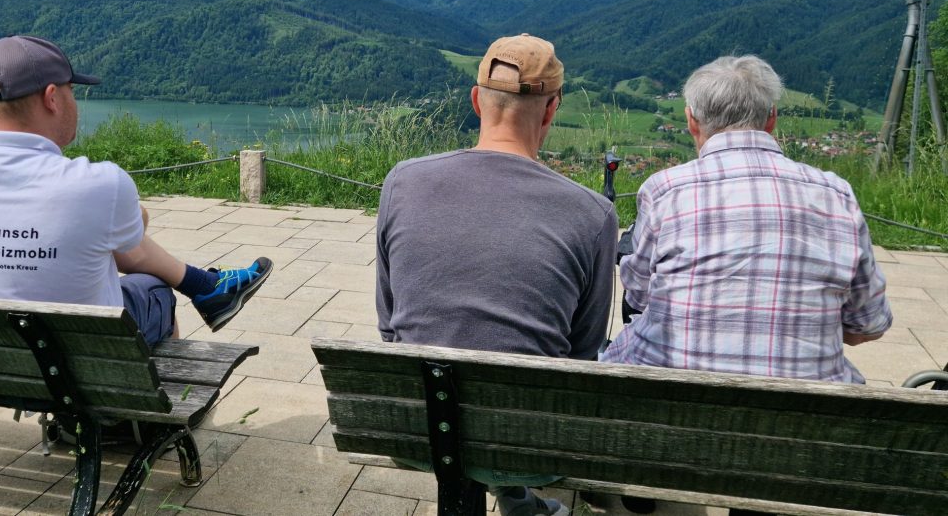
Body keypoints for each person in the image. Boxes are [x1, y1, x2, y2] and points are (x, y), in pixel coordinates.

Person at [600, 55, 892, 515]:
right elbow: (867, 326)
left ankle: (644, 481)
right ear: (773, 119)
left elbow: (637, 297)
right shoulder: (837, 193)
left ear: (690, 121)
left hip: (677, 420)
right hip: (799, 434)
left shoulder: (666, 188)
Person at [377, 33, 618, 516]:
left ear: (475, 101)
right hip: (530, 448)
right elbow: (582, 352)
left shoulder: (402, 181)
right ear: (552, 110)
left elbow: (389, 324)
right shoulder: (592, 214)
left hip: (416, 433)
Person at [0, 35, 273, 347]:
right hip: (75, 357)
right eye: (71, 91)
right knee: (152, 288)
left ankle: (208, 287)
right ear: (52, 97)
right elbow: (133, 231)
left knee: (92, 236)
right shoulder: (98, 184)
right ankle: (148, 420)